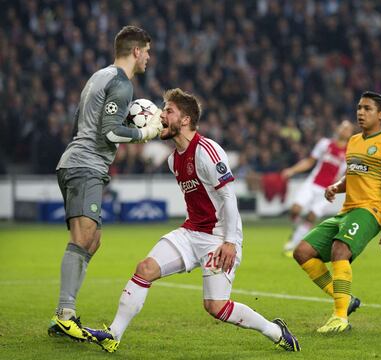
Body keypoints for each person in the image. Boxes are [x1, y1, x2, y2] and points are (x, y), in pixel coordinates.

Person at [84, 88, 301, 352]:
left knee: (215, 306)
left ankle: (275, 331)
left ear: (185, 120)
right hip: (190, 232)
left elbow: (228, 198)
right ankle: (113, 335)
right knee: (145, 269)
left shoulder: (207, 151)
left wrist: (230, 242)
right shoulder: (173, 160)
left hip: (220, 237)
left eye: (168, 111)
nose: (160, 116)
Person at [48, 25, 163, 341]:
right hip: (85, 165)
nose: (149, 58)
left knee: (93, 240)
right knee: (83, 237)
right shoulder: (122, 84)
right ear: (136, 51)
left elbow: (81, 120)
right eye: (148, 51)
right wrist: (144, 133)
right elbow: (109, 133)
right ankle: (64, 314)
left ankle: (63, 313)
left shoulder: (98, 77)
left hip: (78, 162)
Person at [293, 91, 381, 334]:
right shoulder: (354, 141)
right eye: (359, 108)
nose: (360, 113)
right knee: (302, 252)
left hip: (370, 210)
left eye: (367, 109)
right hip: (347, 211)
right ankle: (346, 298)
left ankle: (340, 317)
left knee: (339, 249)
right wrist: (337, 186)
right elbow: (354, 173)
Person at [281, 120, 354, 257]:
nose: (344, 130)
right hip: (312, 183)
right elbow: (310, 161)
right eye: (342, 127)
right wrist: (292, 170)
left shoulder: (350, 153)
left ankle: (293, 244)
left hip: (327, 190)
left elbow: (345, 175)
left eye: (347, 128)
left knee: (311, 216)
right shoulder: (325, 144)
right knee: (295, 209)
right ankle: (297, 230)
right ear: (338, 129)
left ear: (351, 133)